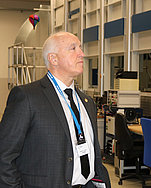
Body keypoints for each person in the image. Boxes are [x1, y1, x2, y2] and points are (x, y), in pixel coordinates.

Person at [0, 32, 110, 188]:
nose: (81, 54)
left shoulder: (87, 102)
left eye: (80, 47)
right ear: (53, 59)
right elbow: (4, 156)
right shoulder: (27, 97)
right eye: (73, 48)